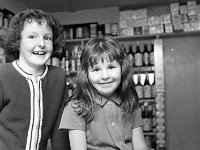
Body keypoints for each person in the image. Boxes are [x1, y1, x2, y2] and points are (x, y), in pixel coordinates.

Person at [59, 36, 148, 150]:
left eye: (111, 67)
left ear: (122, 69)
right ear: (86, 74)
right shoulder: (75, 107)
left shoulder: (130, 102)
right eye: (96, 70)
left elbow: (140, 146)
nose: (105, 76)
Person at [0, 8, 70, 150]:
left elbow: (60, 130)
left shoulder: (58, 77)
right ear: (17, 41)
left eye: (47, 37)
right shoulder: (3, 74)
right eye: (32, 37)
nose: (42, 44)